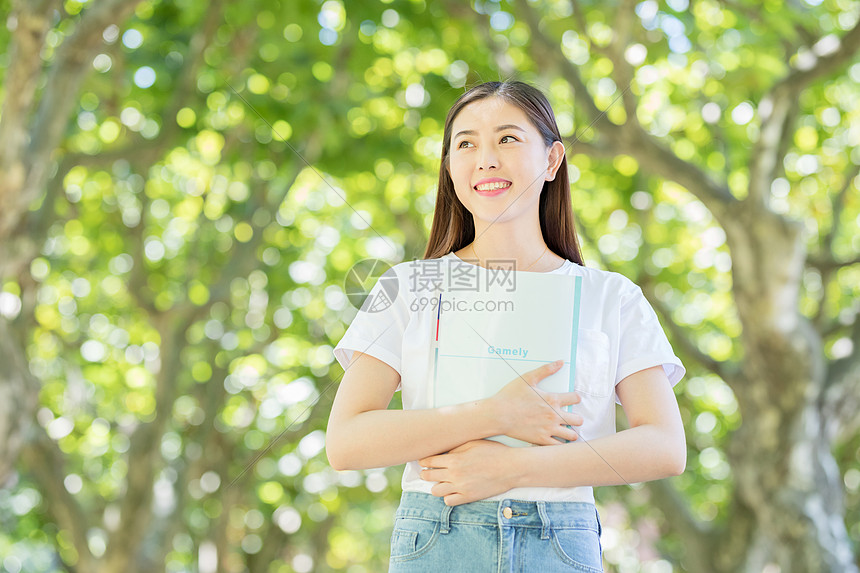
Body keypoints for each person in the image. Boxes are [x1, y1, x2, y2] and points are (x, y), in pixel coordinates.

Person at [326, 80, 686, 572]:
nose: (485, 159)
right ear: (450, 166)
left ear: (553, 160)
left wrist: (517, 467)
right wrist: (494, 415)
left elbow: (665, 446)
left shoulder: (611, 297)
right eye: (466, 143)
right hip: (439, 537)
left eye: (508, 139)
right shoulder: (409, 287)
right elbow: (346, 442)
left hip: (560, 542)